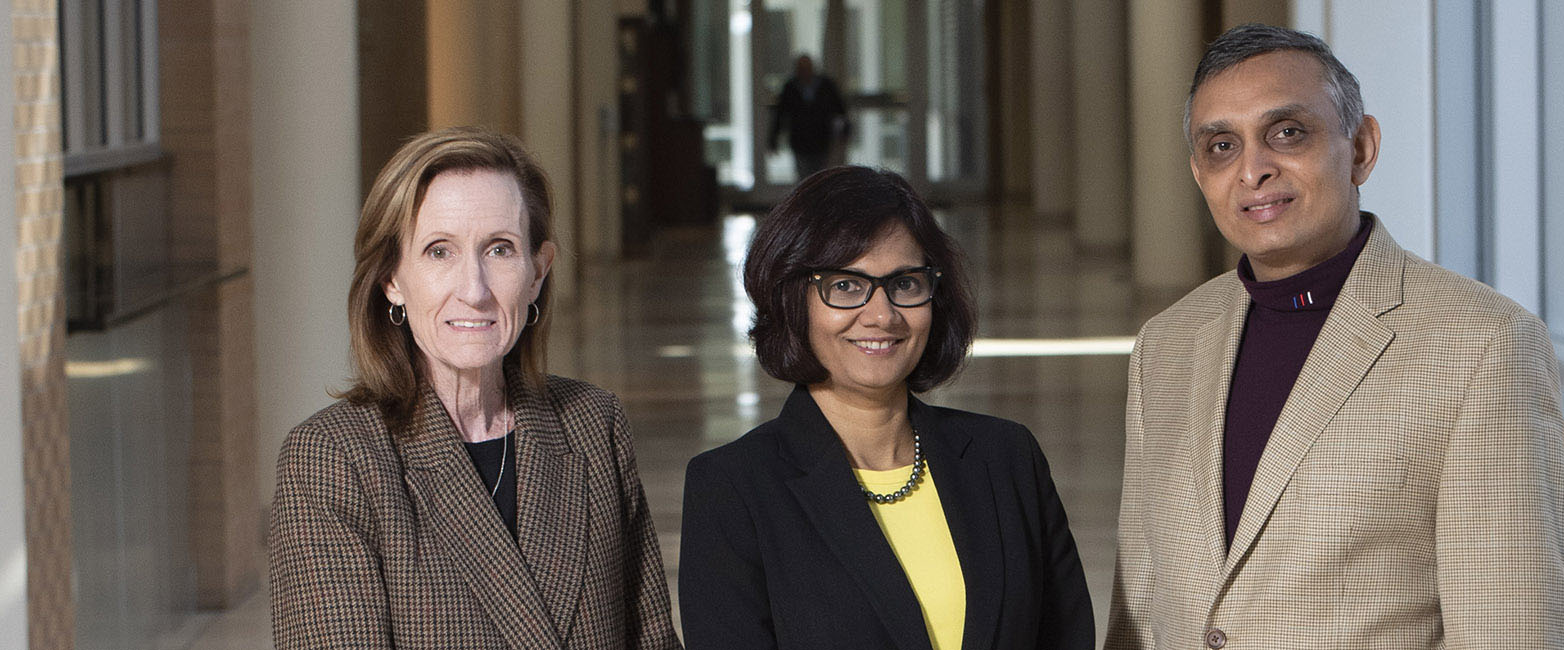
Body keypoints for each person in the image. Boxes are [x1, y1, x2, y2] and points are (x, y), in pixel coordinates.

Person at [1105, 24, 1564, 649]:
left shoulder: (1483, 345)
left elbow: (1514, 631)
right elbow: (1139, 613)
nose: (1253, 170)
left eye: (1287, 133)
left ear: (1360, 147)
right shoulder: (1164, 346)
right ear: (1199, 173)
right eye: (1222, 145)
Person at [269, 126, 682, 649]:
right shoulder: (332, 460)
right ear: (392, 278)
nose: (475, 290)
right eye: (439, 252)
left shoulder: (593, 425)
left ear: (537, 272)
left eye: (499, 250)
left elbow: (652, 640)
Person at [679, 166, 1094, 650]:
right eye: (846, 286)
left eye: (905, 284)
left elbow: (1066, 635)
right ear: (794, 300)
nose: (882, 315)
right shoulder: (732, 489)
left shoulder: (1006, 457)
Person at [768, 54, 847, 180]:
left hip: (821, 138)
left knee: (822, 176)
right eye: (801, 68)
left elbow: (839, 111)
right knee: (804, 176)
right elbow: (781, 114)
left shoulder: (826, 86)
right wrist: (773, 139)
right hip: (800, 140)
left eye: (806, 68)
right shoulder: (790, 87)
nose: (804, 72)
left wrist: (844, 131)